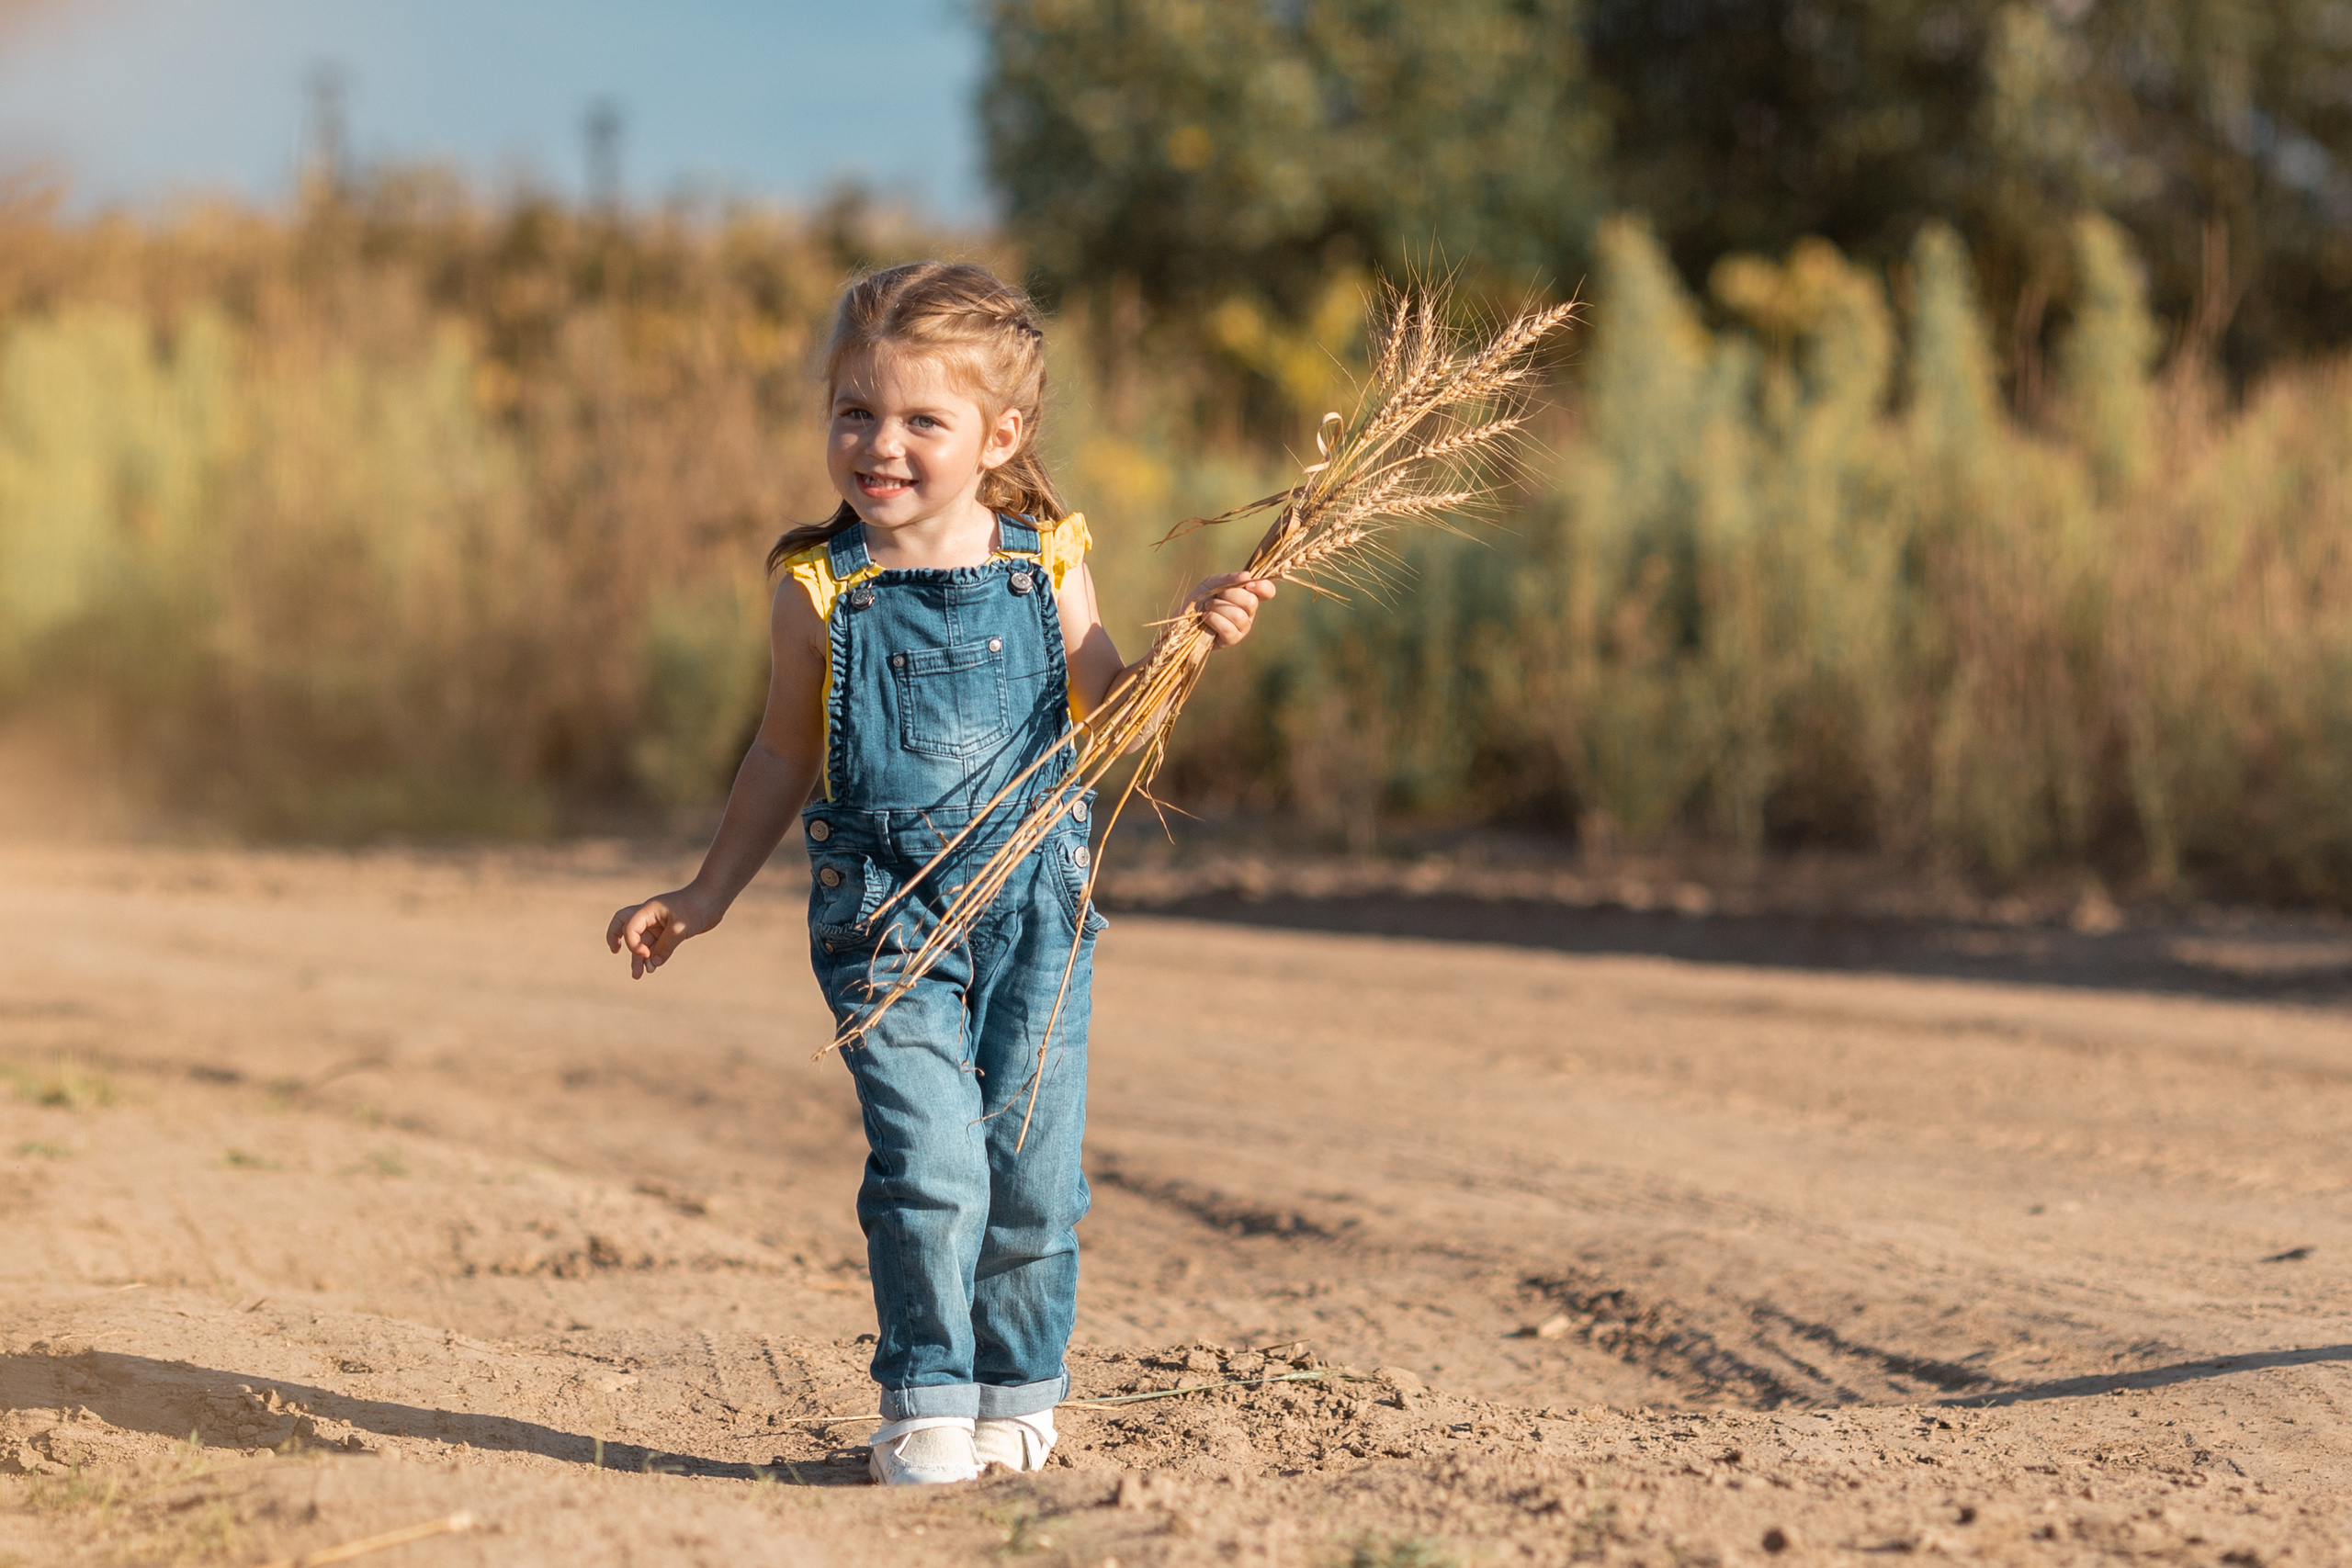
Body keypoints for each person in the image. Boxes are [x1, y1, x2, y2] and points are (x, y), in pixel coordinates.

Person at [605, 262, 1272, 1485]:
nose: (880, 443)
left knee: (1030, 1170)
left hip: (1036, 915)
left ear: (998, 436)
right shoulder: (819, 591)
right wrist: (701, 896)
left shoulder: (1045, 562)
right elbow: (779, 754)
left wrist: (1191, 639)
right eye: (854, 410)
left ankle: (1016, 1386)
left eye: (923, 419)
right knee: (932, 1165)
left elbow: (1109, 714)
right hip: (885, 925)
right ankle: (924, 1392)